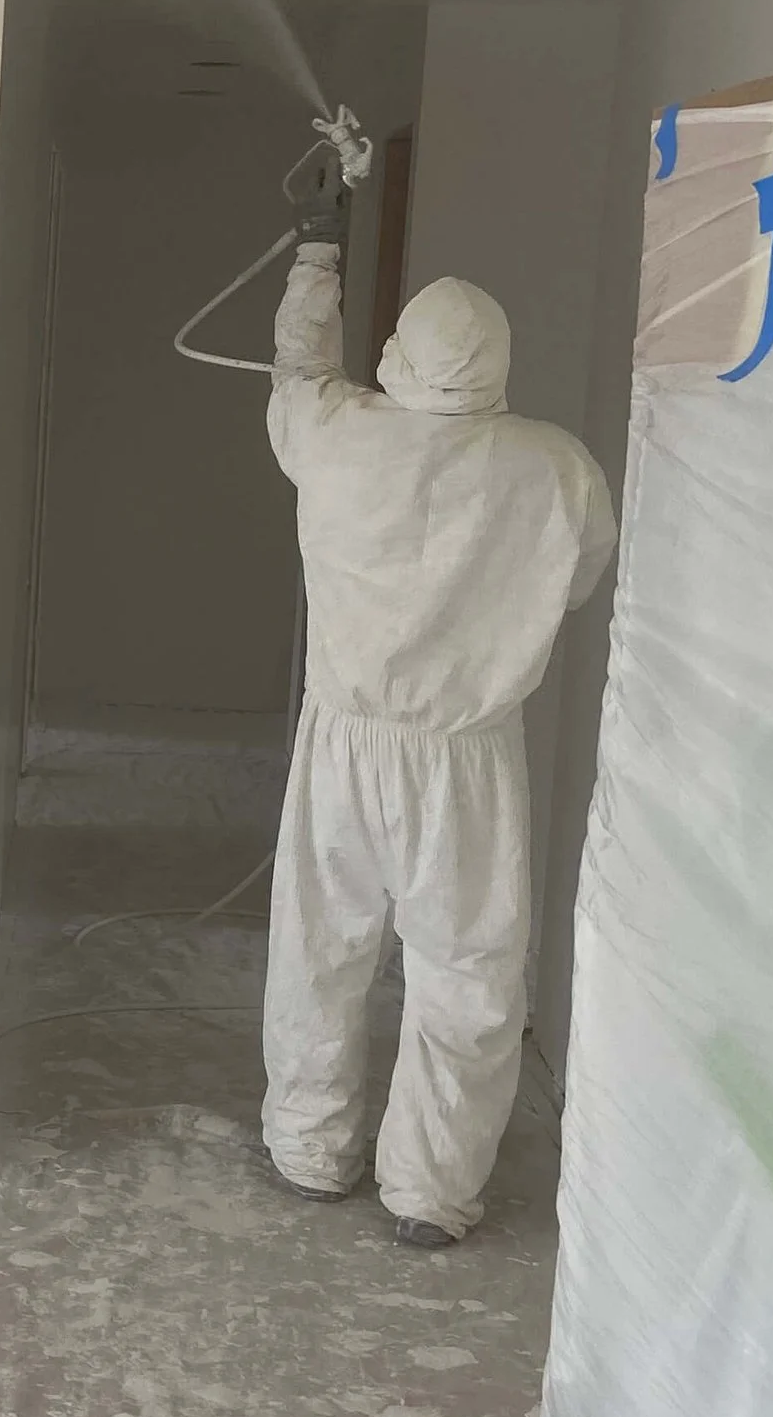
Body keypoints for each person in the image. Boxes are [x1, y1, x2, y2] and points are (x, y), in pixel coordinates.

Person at [261, 237, 615, 1246]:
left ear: (399, 355)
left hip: (345, 742)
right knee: (467, 971)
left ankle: (309, 1145)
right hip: (470, 755)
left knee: (320, 947)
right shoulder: (558, 468)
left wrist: (315, 262)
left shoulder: (338, 433)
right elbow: (575, 581)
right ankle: (429, 1189)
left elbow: (297, 372)